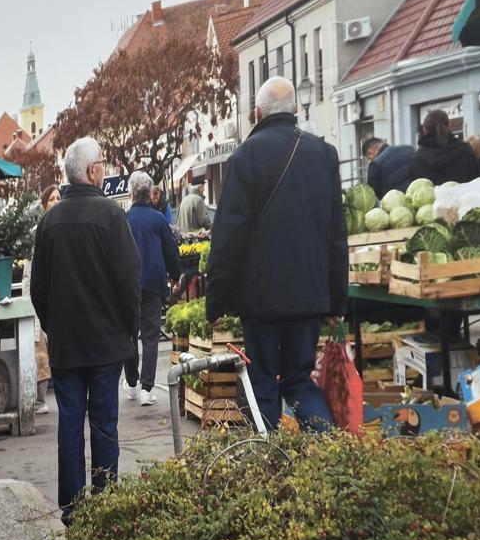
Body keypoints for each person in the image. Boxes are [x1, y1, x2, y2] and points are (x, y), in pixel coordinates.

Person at [205, 77, 347, 431]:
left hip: (261, 298)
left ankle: (266, 458)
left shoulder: (245, 157)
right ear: (295, 109)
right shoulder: (324, 155)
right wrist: (336, 302)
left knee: (263, 382)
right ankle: (327, 450)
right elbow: (336, 235)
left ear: (257, 112)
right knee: (300, 379)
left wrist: (216, 301)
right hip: (309, 295)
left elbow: (228, 237)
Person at [31, 138, 141, 525]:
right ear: (93, 171)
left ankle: (73, 507)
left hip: (67, 345)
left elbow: (38, 289)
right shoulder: (111, 216)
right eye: (103, 164)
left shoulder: (49, 222)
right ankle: (105, 501)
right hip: (106, 343)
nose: (105, 169)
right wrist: (130, 329)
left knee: (70, 423)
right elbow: (128, 281)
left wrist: (54, 326)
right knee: (104, 424)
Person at [124, 171, 179, 407]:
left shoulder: (125, 219)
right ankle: (147, 388)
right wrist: (175, 275)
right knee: (150, 336)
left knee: (129, 334)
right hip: (154, 284)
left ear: (132, 193)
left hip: (128, 285)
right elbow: (171, 250)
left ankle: (132, 382)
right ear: (149, 194)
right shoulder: (158, 220)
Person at [28, 184, 64, 415]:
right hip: (44, 301)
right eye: (52, 199)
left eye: (59, 198)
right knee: (40, 349)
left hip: (62, 299)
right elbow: (33, 274)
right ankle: (40, 400)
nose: (56, 202)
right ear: (44, 205)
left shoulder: (65, 225)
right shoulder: (38, 231)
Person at [411, 109, 478, 186]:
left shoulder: (417, 157)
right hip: (464, 193)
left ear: (424, 130)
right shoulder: (465, 150)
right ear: (449, 125)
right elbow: (476, 182)